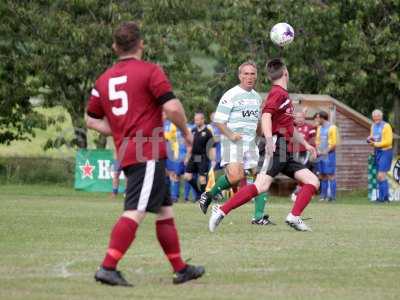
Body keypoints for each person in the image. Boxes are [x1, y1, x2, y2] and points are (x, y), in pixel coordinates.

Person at [85, 21, 204, 287]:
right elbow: (172, 108)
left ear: (115, 47)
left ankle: (180, 268)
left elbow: (91, 121)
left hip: (130, 150)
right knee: (135, 211)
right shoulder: (150, 71)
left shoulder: (103, 80)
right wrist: (186, 132)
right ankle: (108, 266)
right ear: (141, 44)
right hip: (146, 150)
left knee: (165, 212)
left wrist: (119, 132)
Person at [208, 58, 319, 232]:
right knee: (261, 186)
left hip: (285, 150)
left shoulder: (283, 95)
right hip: (276, 147)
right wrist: (268, 140)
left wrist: (307, 144)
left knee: (312, 180)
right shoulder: (278, 93)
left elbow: (289, 127)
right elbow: (266, 116)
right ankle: (221, 210)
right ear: (285, 73)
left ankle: (294, 216)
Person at [199, 61, 271, 225]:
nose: (249, 77)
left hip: (250, 143)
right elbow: (219, 121)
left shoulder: (257, 97)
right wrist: (231, 135)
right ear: (239, 76)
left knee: (260, 177)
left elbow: (257, 123)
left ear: (256, 76)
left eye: (252, 74)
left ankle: (258, 217)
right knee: (236, 177)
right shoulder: (230, 94)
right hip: (233, 142)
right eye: (246, 74)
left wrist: (264, 137)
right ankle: (209, 195)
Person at [184, 112, 215, 199]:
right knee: (187, 177)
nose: (196, 121)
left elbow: (212, 147)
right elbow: (190, 145)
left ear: (203, 120)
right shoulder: (193, 131)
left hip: (203, 157)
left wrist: (213, 159)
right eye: (195, 120)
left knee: (202, 179)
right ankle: (198, 193)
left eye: (198, 120)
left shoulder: (208, 132)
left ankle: (203, 197)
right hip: (193, 156)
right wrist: (187, 157)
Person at [288, 111, 317, 201]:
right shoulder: (291, 128)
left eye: (301, 117)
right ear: (294, 118)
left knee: (304, 171)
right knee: (297, 174)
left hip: (305, 153)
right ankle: (301, 191)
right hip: (293, 153)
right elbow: (286, 139)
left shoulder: (310, 127)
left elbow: (313, 141)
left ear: (304, 118)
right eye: (298, 117)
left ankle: (300, 192)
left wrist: (313, 151)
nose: (300, 119)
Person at [367, 109, 393, 202]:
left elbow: (389, 141)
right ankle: (382, 198)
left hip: (386, 152)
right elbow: (373, 138)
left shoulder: (386, 126)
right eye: (374, 118)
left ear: (381, 117)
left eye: (377, 117)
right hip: (377, 152)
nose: (376, 120)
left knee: (381, 175)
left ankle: (385, 198)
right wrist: (370, 139)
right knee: (379, 176)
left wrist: (376, 144)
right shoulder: (373, 126)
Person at [315, 111, 339, 201]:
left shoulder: (332, 128)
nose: (317, 119)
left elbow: (334, 143)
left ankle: (332, 197)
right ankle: (323, 196)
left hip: (329, 155)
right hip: (320, 154)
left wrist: (325, 151)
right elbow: (317, 140)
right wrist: (318, 150)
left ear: (322, 118)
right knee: (322, 175)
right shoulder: (319, 128)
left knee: (331, 175)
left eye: (318, 118)